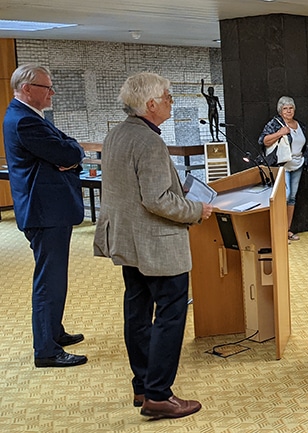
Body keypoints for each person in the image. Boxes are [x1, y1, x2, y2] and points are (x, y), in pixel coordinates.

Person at [94, 72, 212, 419]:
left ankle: (143, 385)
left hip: (128, 242)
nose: (171, 102)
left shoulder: (117, 133)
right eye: (168, 97)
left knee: (138, 311)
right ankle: (159, 395)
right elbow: (158, 199)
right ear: (150, 104)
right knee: (170, 315)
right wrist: (196, 210)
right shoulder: (149, 141)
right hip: (156, 244)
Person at [2, 63, 87, 368]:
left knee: (55, 278)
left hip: (49, 210)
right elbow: (67, 153)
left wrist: (71, 153)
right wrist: (70, 154)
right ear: (27, 88)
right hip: (44, 211)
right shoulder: (24, 121)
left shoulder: (31, 117)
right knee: (48, 281)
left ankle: (54, 332)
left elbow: (71, 146)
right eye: (47, 87)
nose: (52, 93)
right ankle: (46, 350)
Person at [258, 96, 308, 241]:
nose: (288, 111)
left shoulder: (300, 125)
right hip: (282, 166)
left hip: (298, 164)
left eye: (291, 108)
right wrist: (280, 133)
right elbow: (263, 140)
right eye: (285, 108)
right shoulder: (275, 124)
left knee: (292, 197)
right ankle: (278, 230)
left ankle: (287, 230)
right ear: (280, 111)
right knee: (285, 196)